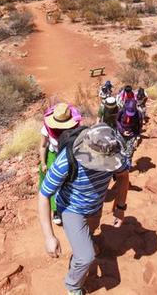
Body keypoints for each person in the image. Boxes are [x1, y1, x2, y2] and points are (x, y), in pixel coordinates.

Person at [38, 123, 130, 295]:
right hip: (71, 208)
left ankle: (84, 243)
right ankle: (72, 286)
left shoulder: (115, 154)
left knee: (90, 233)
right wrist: (49, 237)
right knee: (86, 257)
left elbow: (124, 176)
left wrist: (120, 206)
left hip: (95, 206)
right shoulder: (66, 160)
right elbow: (44, 195)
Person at [39, 103, 81, 226]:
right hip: (54, 154)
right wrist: (43, 163)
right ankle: (56, 210)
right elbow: (42, 146)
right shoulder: (46, 129)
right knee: (53, 182)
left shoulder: (75, 127)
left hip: (70, 154)